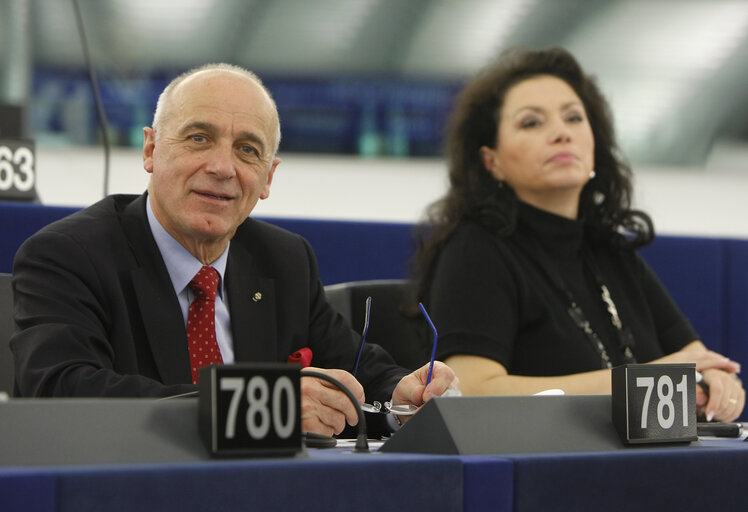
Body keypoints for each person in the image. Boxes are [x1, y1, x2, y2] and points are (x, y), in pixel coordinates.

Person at [11, 63, 457, 436]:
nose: (222, 168)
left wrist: (402, 396)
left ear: (267, 178)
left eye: (247, 150)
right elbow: (61, 392)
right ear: (150, 150)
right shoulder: (69, 254)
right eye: (199, 138)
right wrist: (266, 406)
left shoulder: (284, 261)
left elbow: (358, 368)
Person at [414, 47, 744, 422]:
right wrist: (635, 382)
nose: (561, 133)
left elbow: (696, 359)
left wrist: (717, 382)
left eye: (574, 118)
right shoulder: (476, 250)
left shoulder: (610, 248)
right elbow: (470, 390)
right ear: (493, 162)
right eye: (532, 123)